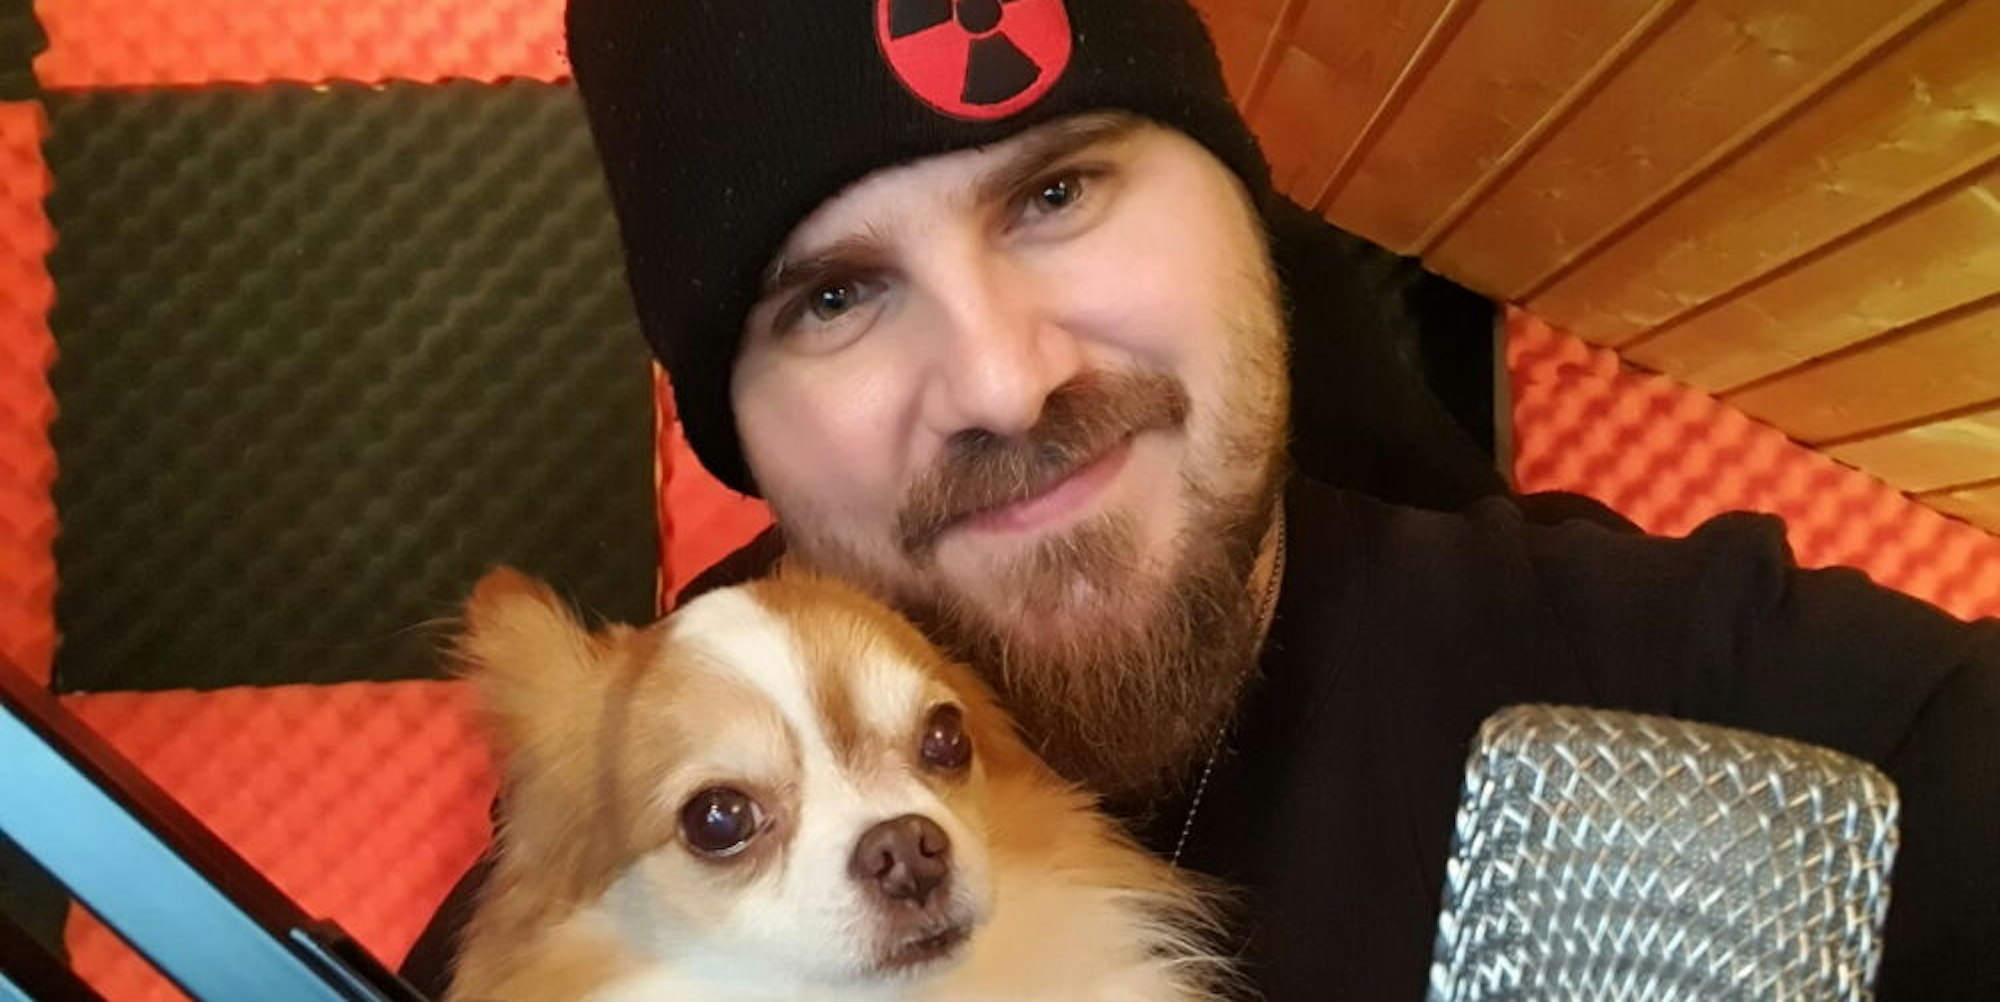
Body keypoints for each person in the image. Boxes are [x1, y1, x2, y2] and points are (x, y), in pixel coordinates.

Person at [403, 0, 1999, 996]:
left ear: (1247, 211)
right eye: (833, 296)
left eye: (1056, 189)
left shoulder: (1685, 680)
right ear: (736, 430)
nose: (1005, 380)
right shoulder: (603, 851)